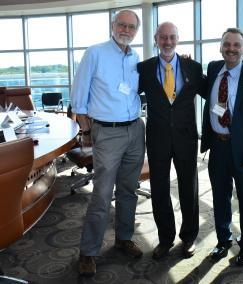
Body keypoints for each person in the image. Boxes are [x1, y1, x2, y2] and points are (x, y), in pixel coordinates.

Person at [70, 9, 145, 277]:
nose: (126, 30)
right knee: (102, 194)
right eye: (122, 25)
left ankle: (123, 238)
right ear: (113, 26)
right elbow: (78, 94)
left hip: (136, 130)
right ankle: (88, 251)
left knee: (128, 189)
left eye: (131, 27)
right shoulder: (95, 53)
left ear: (136, 30)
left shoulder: (135, 57)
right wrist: (86, 131)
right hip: (108, 132)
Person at [137, 22, 206, 260]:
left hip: (186, 138)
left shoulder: (193, 68)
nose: (168, 42)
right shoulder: (143, 69)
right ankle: (165, 238)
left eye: (172, 38)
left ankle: (188, 237)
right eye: (163, 38)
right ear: (156, 39)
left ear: (178, 39)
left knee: (189, 188)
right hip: (157, 139)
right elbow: (124, 95)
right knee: (159, 190)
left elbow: (215, 92)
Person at [200, 27, 243, 266]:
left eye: (236, 45)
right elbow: (202, 88)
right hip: (217, 147)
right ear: (221, 47)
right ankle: (223, 240)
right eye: (227, 44)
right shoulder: (213, 69)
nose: (231, 49)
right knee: (220, 196)